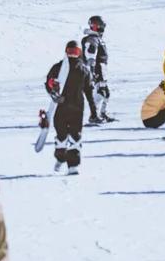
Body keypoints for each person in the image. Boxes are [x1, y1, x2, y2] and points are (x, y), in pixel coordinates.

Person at [45, 40, 90, 173]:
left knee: (72, 135)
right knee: (64, 136)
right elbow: (48, 82)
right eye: (70, 52)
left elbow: (88, 89)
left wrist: (94, 111)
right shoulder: (59, 67)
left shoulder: (82, 69)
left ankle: (72, 166)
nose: (72, 55)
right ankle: (61, 158)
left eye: (75, 52)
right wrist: (52, 90)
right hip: (67, 107)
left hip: (72, 107)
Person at [81, 15, 114, 123]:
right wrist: (92, 70)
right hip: (97, 69)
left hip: (102, 68)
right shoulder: (92, 39)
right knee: (101, 92)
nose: (102, 30)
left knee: (106, 92)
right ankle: (93, 115)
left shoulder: (98, 39)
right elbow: (90, 54)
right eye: (100, 27)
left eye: (102, 27)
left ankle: (102, 113)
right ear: (94, 27)